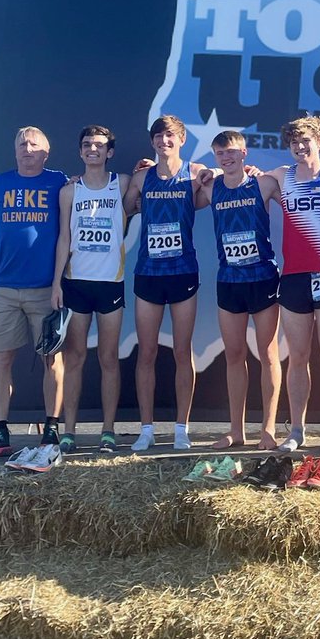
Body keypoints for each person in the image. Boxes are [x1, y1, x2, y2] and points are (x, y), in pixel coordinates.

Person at [0, 127, 66, 458]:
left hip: (45, 290)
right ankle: (1, 429)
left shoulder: (59, 182)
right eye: (21, 143)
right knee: (2, 357)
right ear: (15, 150)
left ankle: (52, 426)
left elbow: (91, 196)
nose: (26, 148)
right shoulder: (0, 183)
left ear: (46, 153)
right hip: (5, 289)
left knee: (52, 359)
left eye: (33, 144)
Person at [265, 115, 320, 455]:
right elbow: (240, 177)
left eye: (306, 140)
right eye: (294, 142)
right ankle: (297, 430)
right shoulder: (281, 176)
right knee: (297, 357)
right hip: (294, 276)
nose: (300, 147)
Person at [123, 115, 208, 452]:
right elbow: (125, 208)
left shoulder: (195, 173)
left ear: (182, 140)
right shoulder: (142, 177)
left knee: (183, 352)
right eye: (158, 136)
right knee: (147, 352)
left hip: (183, 272)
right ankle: (146, 429)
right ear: (152, 141)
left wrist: (223, 173)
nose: (164, 141)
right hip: (149, 274)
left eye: (170, 135)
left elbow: (221, 183)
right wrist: (134, 197)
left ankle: (181, 429)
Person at [197, 130, 282, 451]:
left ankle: (268, 429)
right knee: (234, 355)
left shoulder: (264, 184)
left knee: (268, 354)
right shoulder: (211, 187)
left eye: (231, 151)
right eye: (220, 153)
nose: (226, 157)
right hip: (229, 281)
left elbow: (298, 197)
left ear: (244, 153)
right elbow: (180, 192)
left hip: (263, 279)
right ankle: (236, 430)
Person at [51, 126, 130, 455]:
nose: (92, 149)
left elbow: (151, 179)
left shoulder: (121, 183)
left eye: (99, 145)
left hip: (110, 282)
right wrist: (56, 283)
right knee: (74, 358)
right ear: (80, 151)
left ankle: (108, 430)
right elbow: (64, 237)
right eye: (87, 145)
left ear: (109, 152)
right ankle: (69, 431)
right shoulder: (69, 191)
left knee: (109, 358)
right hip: (76, 282)